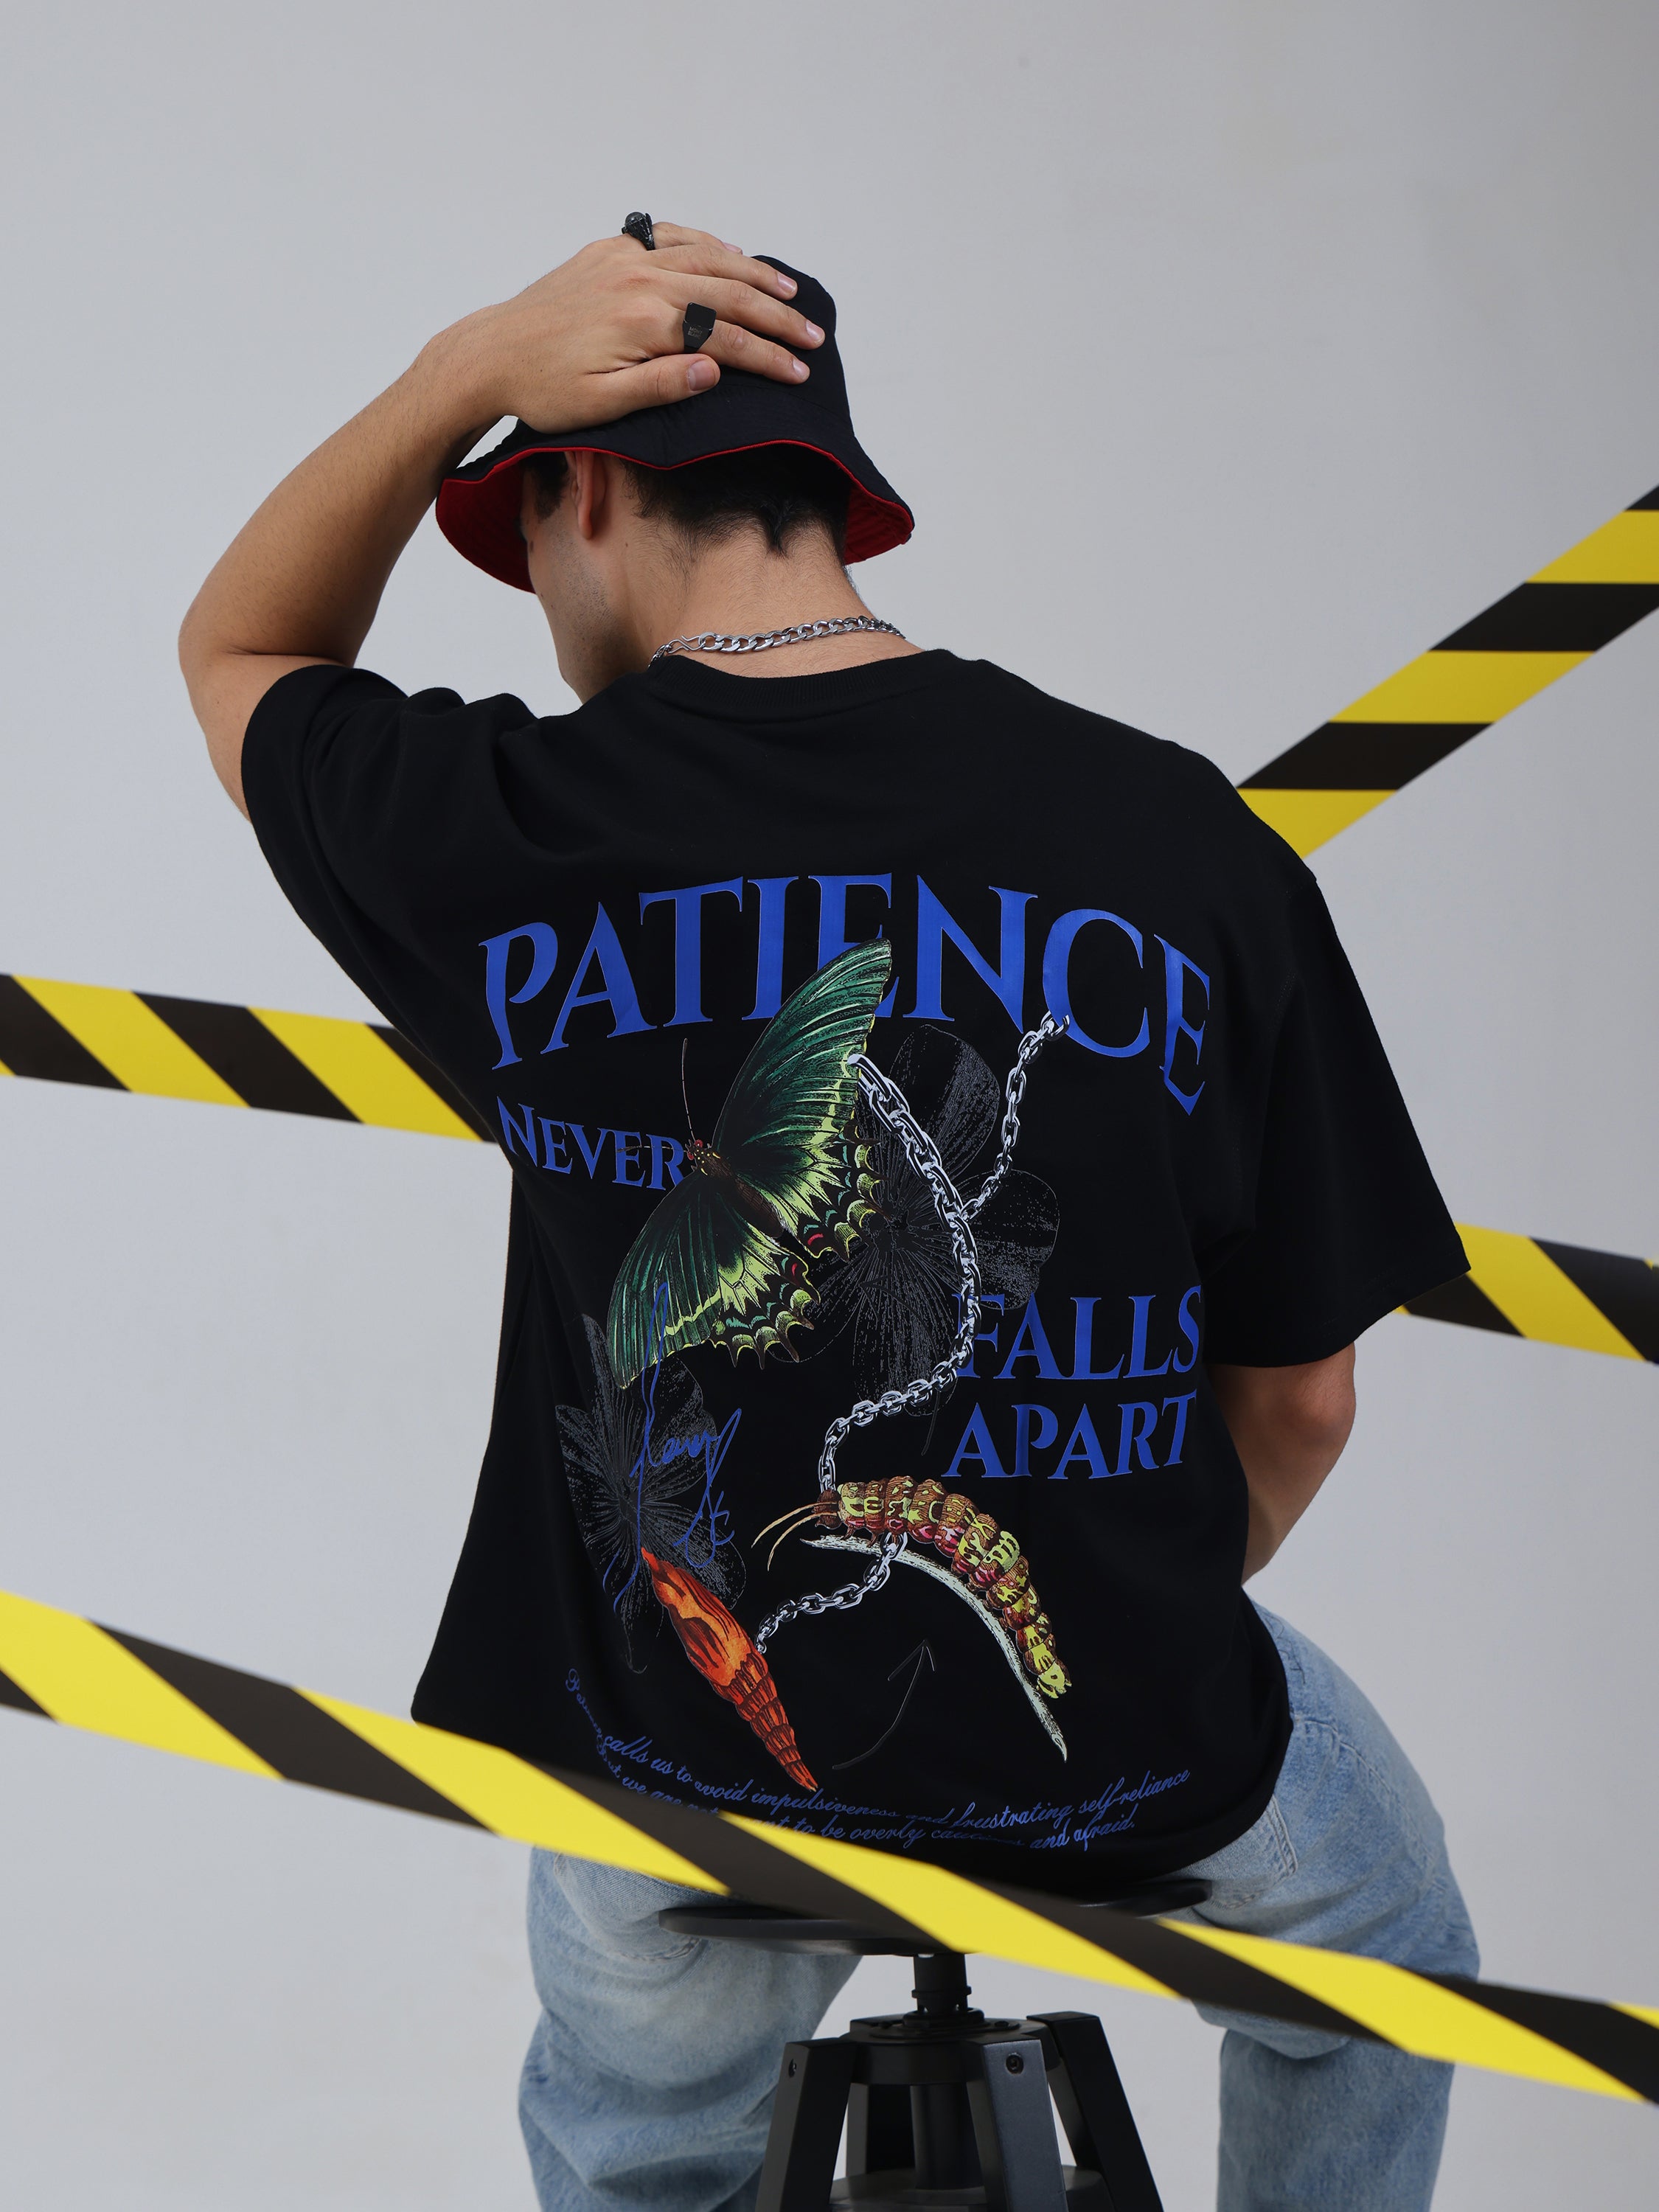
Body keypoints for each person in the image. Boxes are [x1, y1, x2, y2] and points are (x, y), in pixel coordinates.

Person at [180, 216, 1478, 2212]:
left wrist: (465, 367)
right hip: (1129, 1750)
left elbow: (243, 652)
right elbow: (1304, 1400)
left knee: (641, 2140)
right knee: (1386, 1961)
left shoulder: (507, 831)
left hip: (679, 1768)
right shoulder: (1177, 835)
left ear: (578, 491)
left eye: (521, 534)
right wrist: (1119, 1621)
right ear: (828, 499)